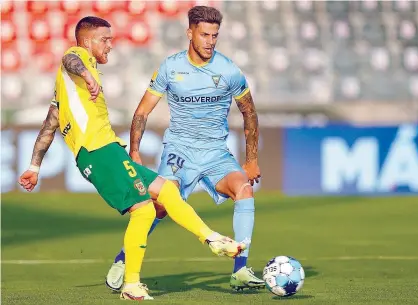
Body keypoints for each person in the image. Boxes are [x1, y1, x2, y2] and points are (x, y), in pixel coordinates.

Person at [17, 16, 246, 301]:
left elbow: (48, 127)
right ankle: (132, 284)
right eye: (105, 39)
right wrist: (88, 76)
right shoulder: (78, 57)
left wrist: (33, 166)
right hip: (98, 151)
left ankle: (211, 238)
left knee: (167, 190)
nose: (110, 45)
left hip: (106, 150)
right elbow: (70, 61)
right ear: (88, 40)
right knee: (144, 210)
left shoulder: (64, 89)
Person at [106, 6, 264, 292]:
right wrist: (135, 150)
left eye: (215, 35)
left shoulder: (228, 69)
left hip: (216, 152)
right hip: (179, 149)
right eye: (204, 34)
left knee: (244, 189)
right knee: (160, 206)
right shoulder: (170, 67)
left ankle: (240, 270)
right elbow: (142, 111)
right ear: (189, 33)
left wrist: (251, 159)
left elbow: (249, 113)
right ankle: (124, 257)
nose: (210, 41)